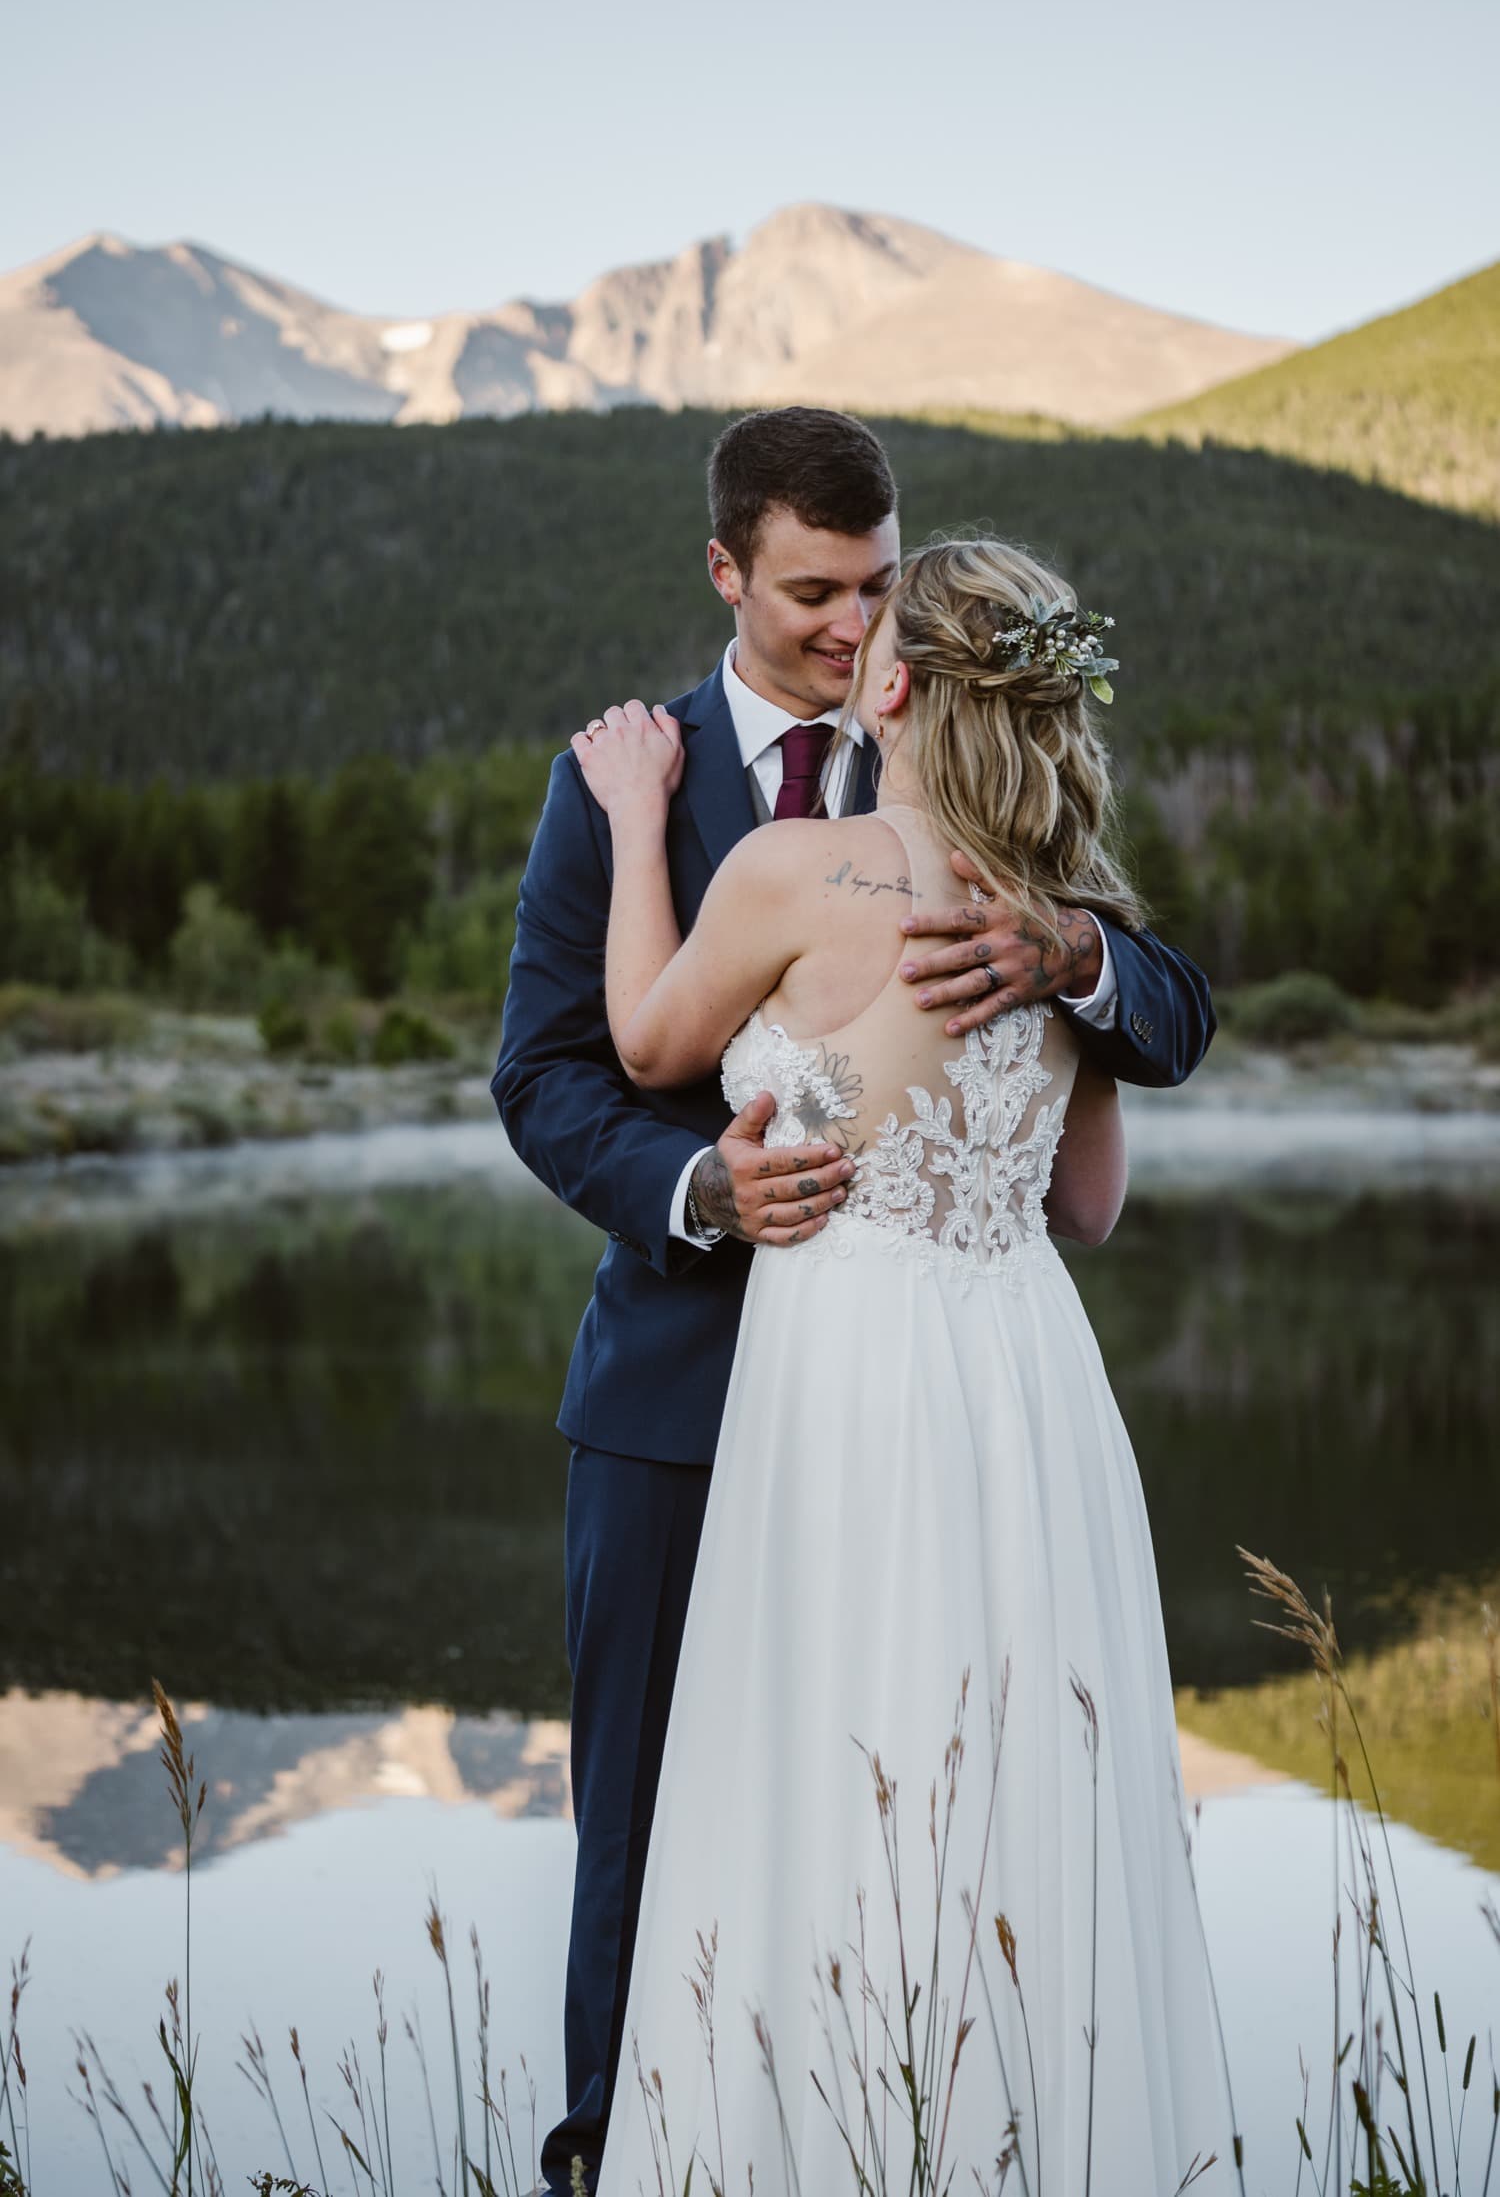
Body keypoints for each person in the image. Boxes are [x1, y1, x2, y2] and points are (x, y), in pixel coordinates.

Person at [490, 410, 1218, 2196]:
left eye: (877, 589)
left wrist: (1086, 959)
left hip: (892, 1399)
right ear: (727, 570)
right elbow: (557, 1071)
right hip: (717, 1391)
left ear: (911, 647)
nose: (845, 621)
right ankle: (624, 2146)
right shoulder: (628, 776)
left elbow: (1166, 1008)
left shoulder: (1019, 902)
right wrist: (695, 1187)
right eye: (812, 589)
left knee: (937, 1795)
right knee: (667, 1810)